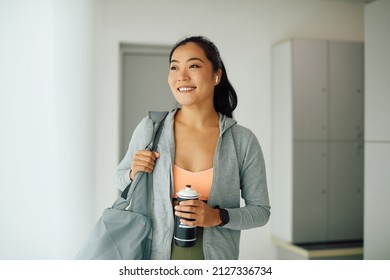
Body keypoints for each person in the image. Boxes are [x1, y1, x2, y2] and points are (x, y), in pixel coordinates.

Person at [117, 36, 270, 260]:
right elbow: (120, 180)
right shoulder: (150, 128)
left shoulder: (242, 140)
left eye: (194, 65)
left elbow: (260, 211)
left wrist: (218, 217)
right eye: (174, 67)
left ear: (216, 75)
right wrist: (133, 172)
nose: (182, 76)